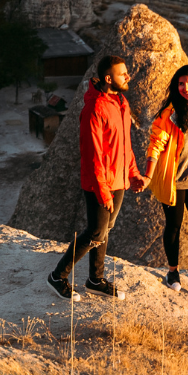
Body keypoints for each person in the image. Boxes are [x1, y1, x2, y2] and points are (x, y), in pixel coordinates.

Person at [47, 55, 145, 300]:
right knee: (95, 233)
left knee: (105, 230)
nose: (128, 76)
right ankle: (57, 276)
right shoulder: (94, 107)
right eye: (123, 74)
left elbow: (124, 144)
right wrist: (103, 192)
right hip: (99, 182)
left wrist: (133, 173)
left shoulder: (121, 102)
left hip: (119, 180)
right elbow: (93, 155)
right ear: (109, 78)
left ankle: (95, 280)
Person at [146, 64, 188, 301]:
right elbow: (156, 143)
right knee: (173, 226)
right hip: (173, 181)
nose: (186, 88)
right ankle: (173, 273)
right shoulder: (169, 113)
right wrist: (148, 173)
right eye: (181, 84)